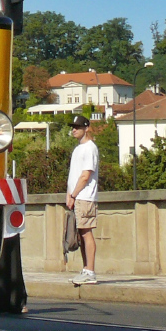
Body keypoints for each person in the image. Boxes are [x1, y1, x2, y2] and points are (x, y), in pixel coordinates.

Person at [65, 115, 99, 286]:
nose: (74, 130)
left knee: (86, 233)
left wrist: (73, 194)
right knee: (80, 234)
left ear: (86, 128)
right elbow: (74, 175)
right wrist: (69, 194)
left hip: (85, 197)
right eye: (73, 127)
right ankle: (85, 269)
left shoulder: (90, 148)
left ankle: (90, 271)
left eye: (77, 127)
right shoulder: (78, 149)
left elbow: (85, 175)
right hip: (77, 197)